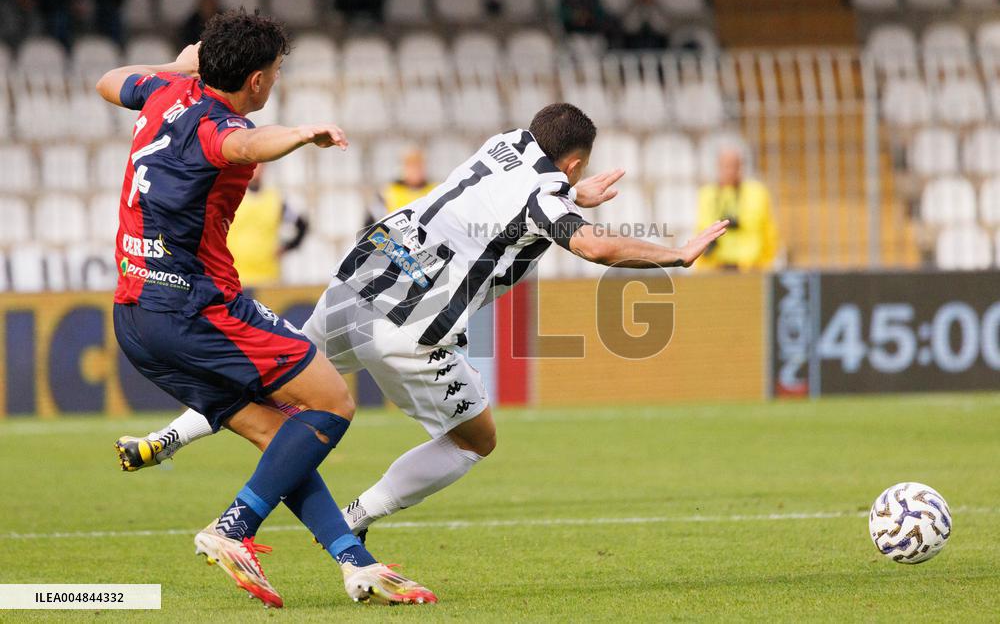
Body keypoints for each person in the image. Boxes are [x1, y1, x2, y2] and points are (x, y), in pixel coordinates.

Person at [115, 103, 729, 547]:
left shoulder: (505, 143)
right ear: (572, 162)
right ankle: (355, 516)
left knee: (275, 374)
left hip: (363, 277)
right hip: (412, 329)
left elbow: (529, 192)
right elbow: (592, 246)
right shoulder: (547, 195)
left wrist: (570, 193)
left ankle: (164, 440)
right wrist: (675, 254)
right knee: (473, 441)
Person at [97, 10, 435, 608]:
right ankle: (233, 529)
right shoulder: (221, 127)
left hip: (135, 316)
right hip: (195, 308)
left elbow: (107, 80)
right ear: (256, 80)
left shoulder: (165, 89)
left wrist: (178, 65)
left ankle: (356, 565)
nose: (276, 80)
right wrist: (301, 134)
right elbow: (246, 143)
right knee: (332, 402)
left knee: (282, 438)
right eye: (276, 71)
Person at [227, 164, 309, 288]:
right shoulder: (230, 197)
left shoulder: (275, 199)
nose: (256, 168)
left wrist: (287, 247)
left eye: (260, 164)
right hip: (236, 277)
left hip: (269, 277)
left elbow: (301, 225)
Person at [696, 146, 778, 271]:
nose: (730, 171)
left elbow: (768, 230)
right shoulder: (707, 194)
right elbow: (701, 230)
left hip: (750, 267)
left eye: (734, 166)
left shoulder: (757, 193)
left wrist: (766, 263)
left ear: (741, 167)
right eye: (726, 166)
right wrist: (703, 265)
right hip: (716, 267)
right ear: (718, 167)